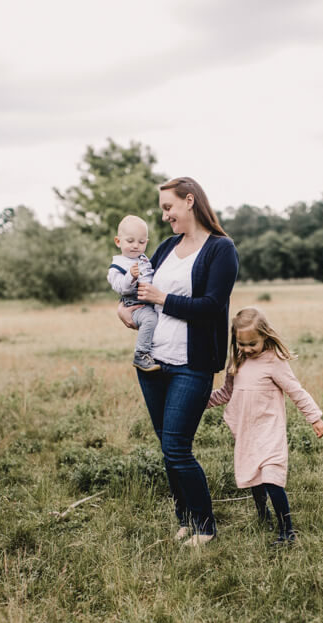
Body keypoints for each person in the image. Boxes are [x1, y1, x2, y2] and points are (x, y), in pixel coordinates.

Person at [118, 177, 239, 546]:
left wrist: (162, 298)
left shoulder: (221, 249)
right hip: (153, 363)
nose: (165, 216)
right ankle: (184, 518)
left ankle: (205, 526)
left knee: (176, 447)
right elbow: (139, 289)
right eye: (163, 210)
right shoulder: (167, 247)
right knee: (165, 445)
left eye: (169, 208)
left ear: (190, 202)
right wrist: (126, 308)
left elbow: (211, 306)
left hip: (192, 365)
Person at [207, 307, 323, 546]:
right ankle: (263, 516)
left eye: (253, 344)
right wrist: (198, 402)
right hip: (246, 432)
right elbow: (226, 393)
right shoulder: (237, 361)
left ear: (265, 336)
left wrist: (314, 417)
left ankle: (287, 532)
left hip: (269, 431)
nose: (247, 349)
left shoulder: (274, 361)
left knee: (272, 479)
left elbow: (296, 391)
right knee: (254, 476)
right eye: (242, 344)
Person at [107, 215, 160, 372]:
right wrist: (131, 276)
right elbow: (120, 288)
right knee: (150, 319)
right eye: (130, 241)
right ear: (118, 241)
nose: (136, 246)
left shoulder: (144, 259)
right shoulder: (117, 266)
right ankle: (141, 353)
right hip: (135, 306)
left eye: (141, 242)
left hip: (149, 301)